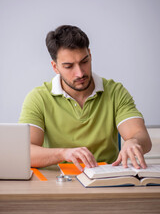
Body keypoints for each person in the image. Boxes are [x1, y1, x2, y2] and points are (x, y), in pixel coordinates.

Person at [19, 25, 152, 172]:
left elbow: (142, 137)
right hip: (57, 183)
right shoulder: (38, 98)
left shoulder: (115, 92)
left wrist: (133, 142)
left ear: (90, 55)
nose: (80, 73)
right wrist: (64, 153)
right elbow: (25, 153)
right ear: (55, 67)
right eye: (69, 66)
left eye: (84, 61)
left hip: (106, 182)